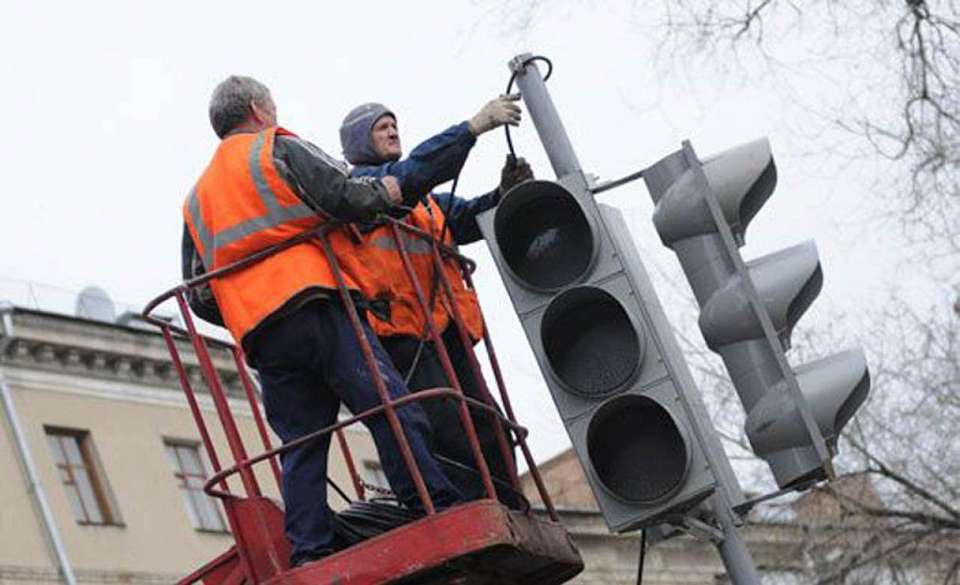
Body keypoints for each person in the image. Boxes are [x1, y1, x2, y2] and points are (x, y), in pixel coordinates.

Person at [181, 76, 460, 567]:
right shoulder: (276, 149)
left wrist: (251, 302)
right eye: (271, 104)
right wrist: (391, 188)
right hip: (315, 303)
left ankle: (310, 551)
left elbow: (200, 293)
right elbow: (346, 196)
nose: (274, 110)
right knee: (392, 408)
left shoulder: (196, 200)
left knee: (302, 442)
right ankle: (433, 504)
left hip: (263, 332)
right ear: (256, 109)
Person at [338, 98, 533, 507]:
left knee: (487, 423)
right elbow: (412, 177)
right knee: (445, 427)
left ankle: (507, 502)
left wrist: (503, 194)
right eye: (381, 128)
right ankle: (472, 508)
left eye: (395, 124)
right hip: (404, 335)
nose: (393, 132)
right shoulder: (357, 195)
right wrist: (471, 128)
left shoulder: (428, 202)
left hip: (446, 330)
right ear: (359, 143)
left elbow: (467, 216)